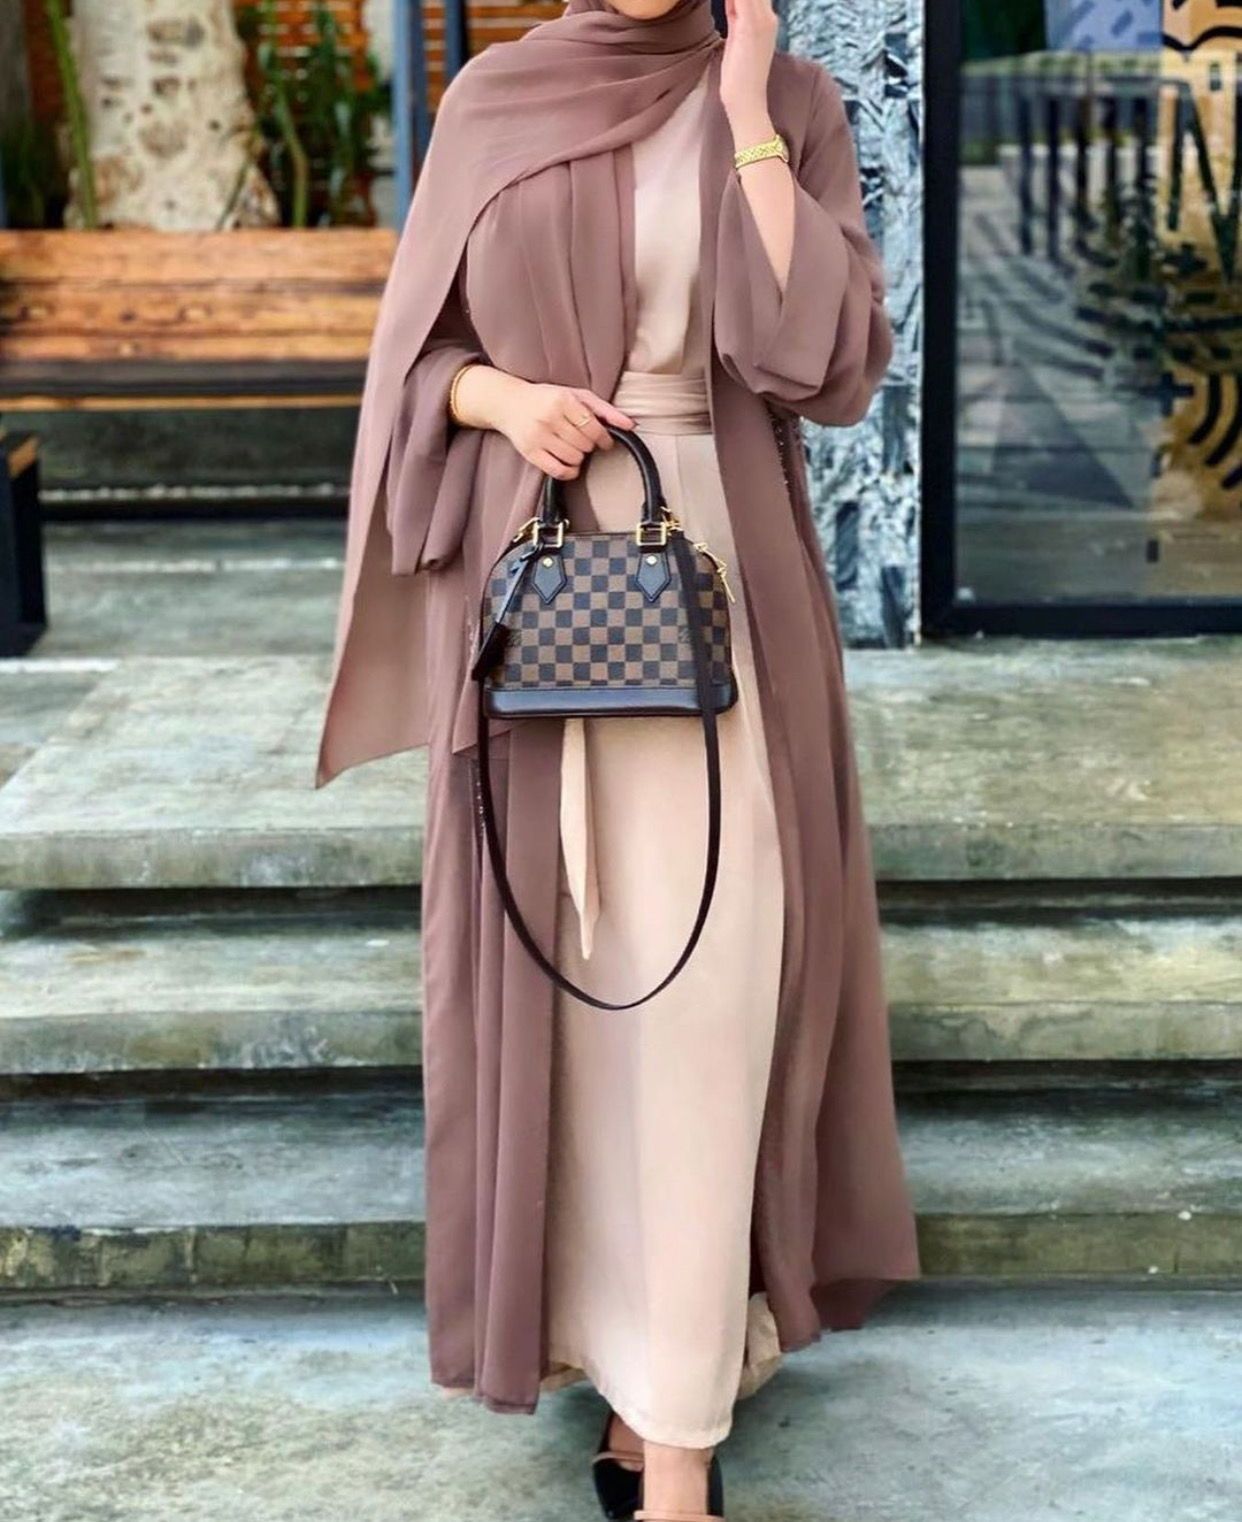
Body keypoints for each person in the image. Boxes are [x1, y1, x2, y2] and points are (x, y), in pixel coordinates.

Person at [316, 2, 919, 1517]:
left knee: (713, 1005)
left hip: (727, 596)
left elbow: (819, 358)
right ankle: (633, 1375)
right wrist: (507, 399)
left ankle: (680, 1452)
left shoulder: (785, 97)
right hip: (546, 604)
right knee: (578, 1023)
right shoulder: (497, 98)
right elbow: (416, 363)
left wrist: (745, 105)